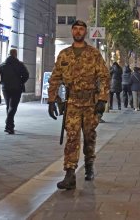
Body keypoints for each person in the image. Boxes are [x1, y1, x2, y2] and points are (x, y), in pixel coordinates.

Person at [47, 20, 109, 189]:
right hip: (72, 102)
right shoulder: (64, 54)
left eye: (81, 29)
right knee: (72, 137)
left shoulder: (94, 54)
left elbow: (103, 76)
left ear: (85, 32)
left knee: (89, 136)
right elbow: (55, 78)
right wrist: (51, 99)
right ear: (72, 32)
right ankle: (70, 173)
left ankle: (89, 165)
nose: (78, 32)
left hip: (90, 102)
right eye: (75, 29)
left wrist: (102, 99)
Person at [0, 48, 30, 134]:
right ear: (15, 54)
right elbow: (26, 75)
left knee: (8, 106)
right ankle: (9, 125)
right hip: (17, 88)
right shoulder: (20, 65)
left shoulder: (2, 65)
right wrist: (21, 82)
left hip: (6, 88)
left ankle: (10, 125)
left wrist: (2, 82)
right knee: (13, 107)